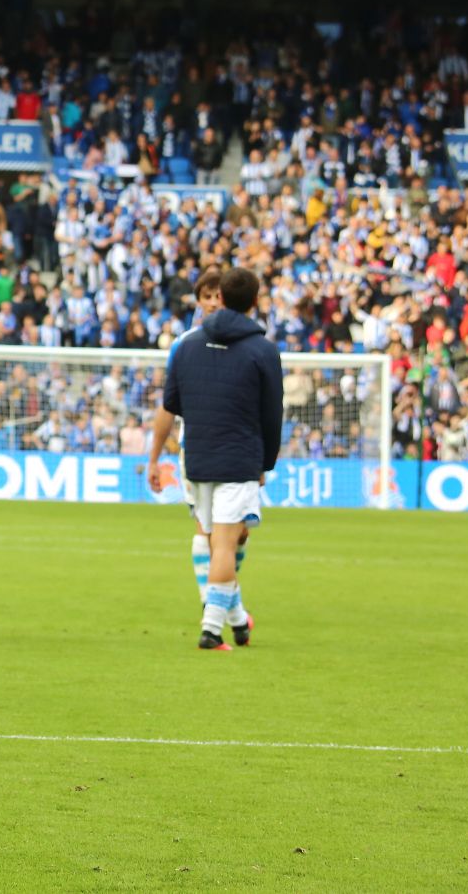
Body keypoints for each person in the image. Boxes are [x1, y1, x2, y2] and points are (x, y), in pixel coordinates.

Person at [159, 268, 283, 651]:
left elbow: (172, 402)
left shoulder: (188, 345)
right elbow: (271, 413)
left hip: (197, 457)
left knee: (217, 542)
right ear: (254, 302)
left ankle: (238, 621)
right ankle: (212, 629)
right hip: (239, 458)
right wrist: (266, 463)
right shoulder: (263, 350)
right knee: (226, 545)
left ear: (222, 299)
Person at [146, 271, 253, 613]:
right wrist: (153, 457)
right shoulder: (185, 345)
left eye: (217, 296)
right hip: (198, 447)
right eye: (206, 296)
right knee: (208, 529)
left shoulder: (250, 343)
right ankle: (214, 606)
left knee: (238, 533)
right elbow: (168, 405)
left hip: (238, 449)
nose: (212, 302)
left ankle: (224, 601)